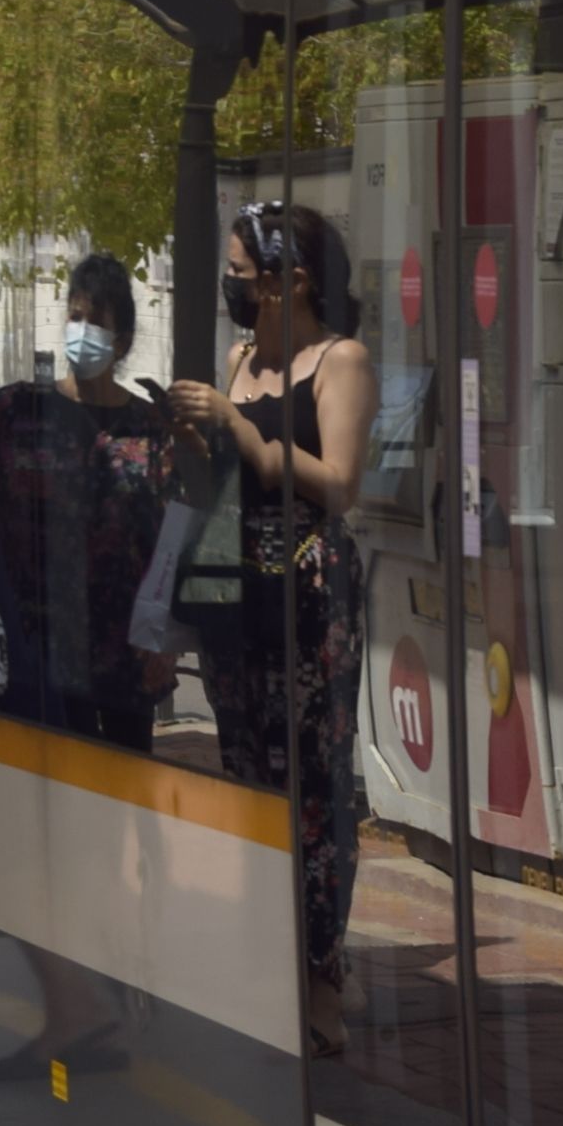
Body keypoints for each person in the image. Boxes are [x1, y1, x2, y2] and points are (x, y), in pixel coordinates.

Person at [169, 202, 374, 1052]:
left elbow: (341, 482)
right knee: (249, 774)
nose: (233, 289)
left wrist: (244, 437)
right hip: (235, 582)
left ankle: (321, 981)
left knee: (313, 784)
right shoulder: (241, 359)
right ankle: (268, 962)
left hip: (308, 588)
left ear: (293, 281)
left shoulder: (341, 360)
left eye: (242, 276)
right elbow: (225, 480)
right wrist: (195, 443)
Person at [0, 253, 187, 745]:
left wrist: (163, 639)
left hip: (124, 654)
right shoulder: (16, 413)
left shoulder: (149, 427)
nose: (81, 331)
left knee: (126, 778)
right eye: (75, 316)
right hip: (36, 647)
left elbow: (170, 538)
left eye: (95, 322)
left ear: (121, 341)